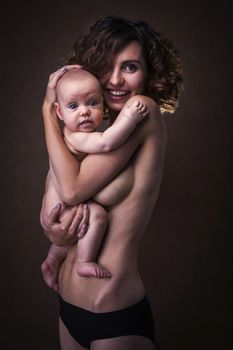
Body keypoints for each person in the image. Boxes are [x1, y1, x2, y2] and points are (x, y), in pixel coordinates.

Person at [40, 15, 183, 350]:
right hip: (70, 309)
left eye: (130, 67)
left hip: (114, 314)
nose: (116, 79)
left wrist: (47, 111)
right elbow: (63, 191)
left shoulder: (140, 112)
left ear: (149, 72)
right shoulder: (96, 130)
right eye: (108, 66)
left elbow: (73, 188)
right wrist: (55, 235)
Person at [41, 67, 148, 289]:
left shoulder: (68, 135)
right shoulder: (76, 137)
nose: (84, 112)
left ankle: (52, 261)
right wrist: (130, 118)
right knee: (96, 215)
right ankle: (84, 261)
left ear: (103, 104)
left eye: (92, 103)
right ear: (59, 113)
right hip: (59, 204)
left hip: (55, 204)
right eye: (73, 106)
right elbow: (107, 142)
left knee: (73, 228)